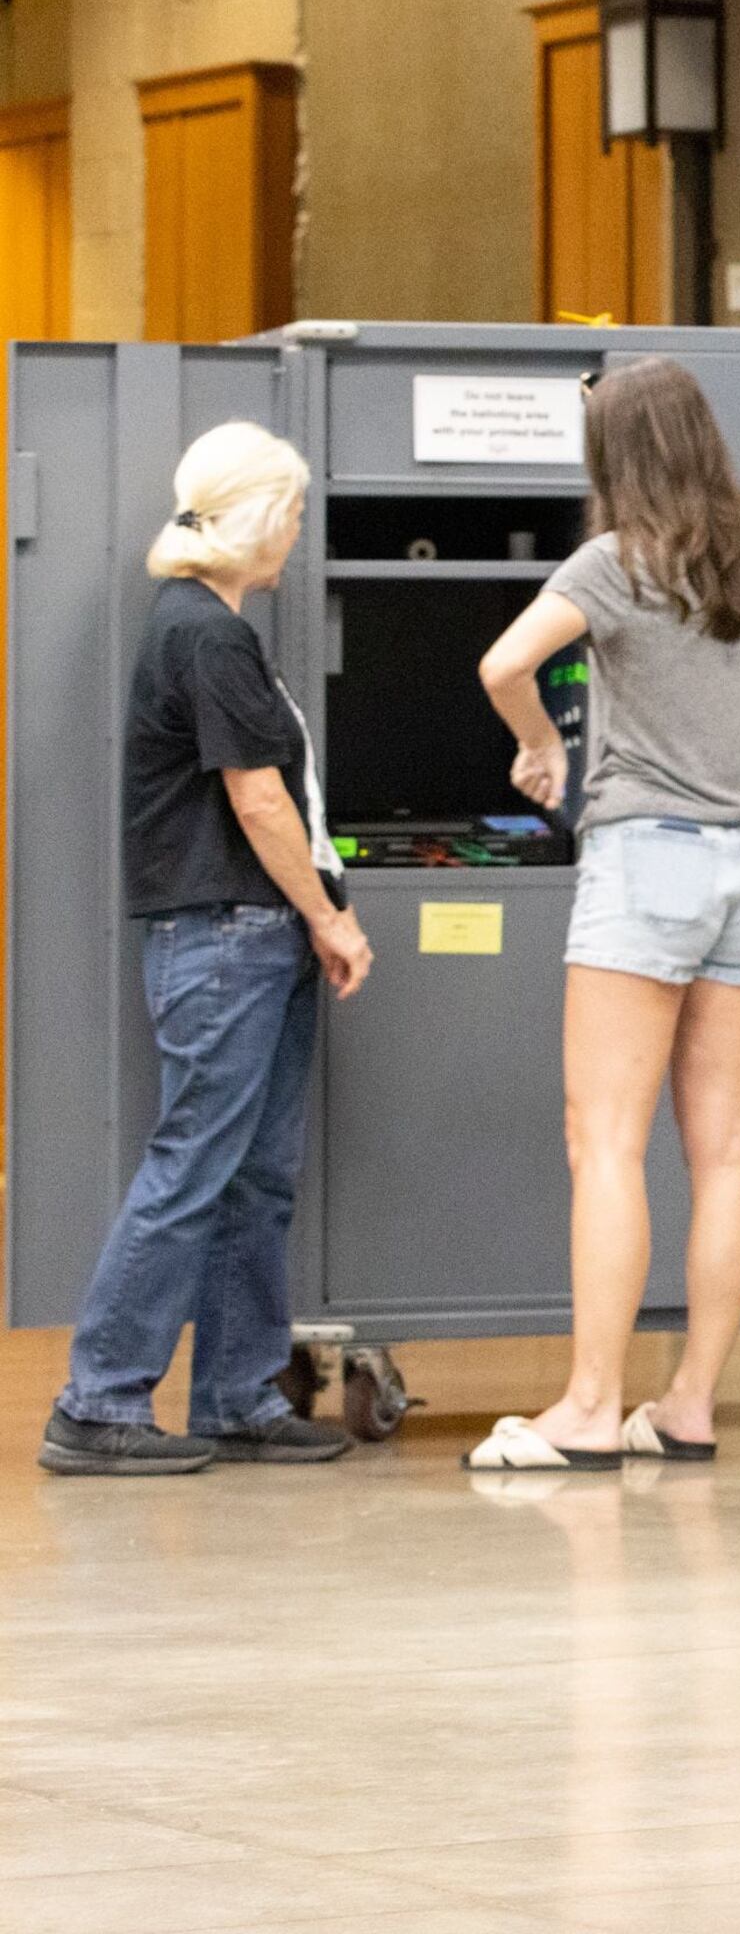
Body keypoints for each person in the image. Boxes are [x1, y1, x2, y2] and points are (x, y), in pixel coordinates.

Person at [463, 358, 740, 1473]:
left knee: (605, 1140)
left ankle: (591, 1408)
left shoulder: (614, 564)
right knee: (727, 1151)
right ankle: (692, 1402)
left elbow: (503, 662)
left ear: (616, 455)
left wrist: (544, 743)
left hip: (648, 860)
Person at [40, 423, 373, 1476]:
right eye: (295, 512)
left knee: (253, 1176)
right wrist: (328, 914)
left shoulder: (206, 625)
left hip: (245, 934)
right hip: (230, 933)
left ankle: (238, 1393)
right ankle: (98, 1401)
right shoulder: (207, 634)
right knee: (196, 1166)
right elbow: (259, 796)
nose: (299, 531)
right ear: (258, 517)